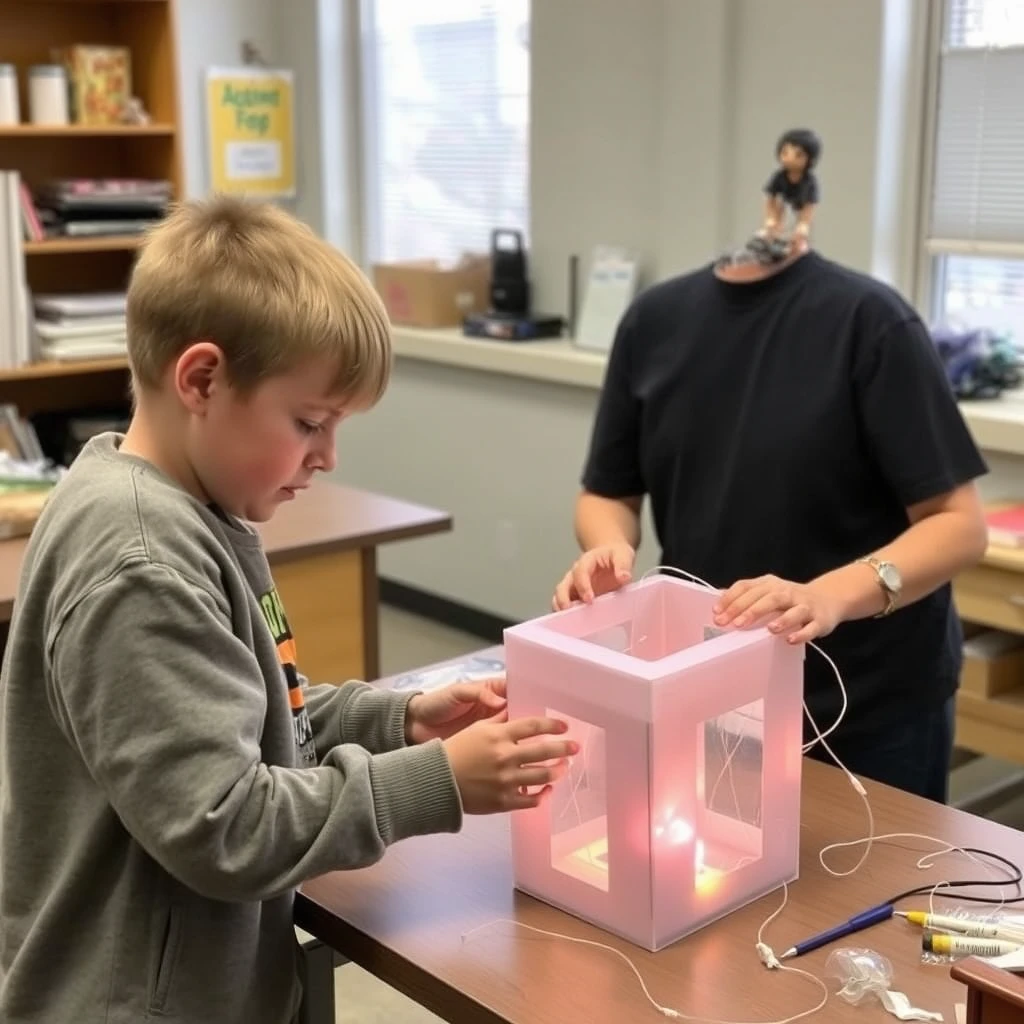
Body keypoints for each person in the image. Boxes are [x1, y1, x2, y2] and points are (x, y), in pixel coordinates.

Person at [0, 197, 577, 1024]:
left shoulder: (192, 509)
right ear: (201, 379)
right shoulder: (141, 565)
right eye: (309, 422)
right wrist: (435, 782)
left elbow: (262, 707)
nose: (327, 456)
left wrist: (399, 720)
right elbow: (225, 825)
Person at [553, 235, 989, 805]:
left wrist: (827, 596)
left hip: (870, 701)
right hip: (713, 684)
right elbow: (605, 493)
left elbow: (959, 525)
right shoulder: (653, 322)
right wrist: (607, 547)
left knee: (874, 884)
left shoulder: (871, 322)